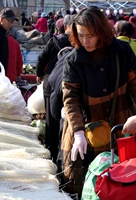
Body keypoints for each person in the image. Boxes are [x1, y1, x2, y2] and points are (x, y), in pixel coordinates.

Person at [60, 6, 136, 197]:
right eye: (81, 35)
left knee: (122, 183)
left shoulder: (122, 52)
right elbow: (71, 99)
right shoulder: (73, 60)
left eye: (91, 35)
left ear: (101, 31)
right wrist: (77, 131)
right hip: (88, 132)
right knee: (89, 183)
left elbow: (135, 85)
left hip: (121, 127)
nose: (85, 41)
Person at [35, 15, 73, 164]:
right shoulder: (77, 42)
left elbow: (41, 58)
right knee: (67, 116)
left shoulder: (54, 40)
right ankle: (63, 151)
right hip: (69, 80)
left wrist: (39, 74)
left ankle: (51, 152)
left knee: (51, 119)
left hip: (51, 81)